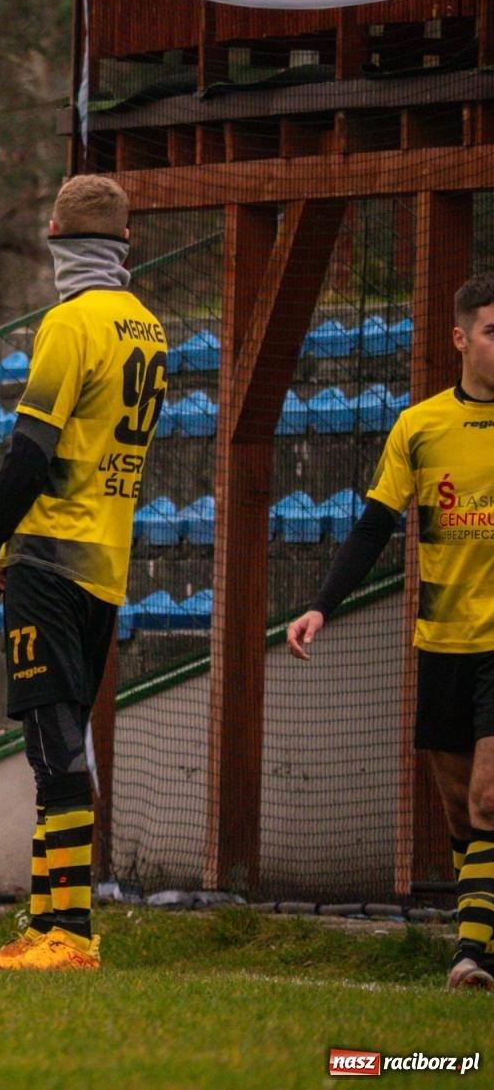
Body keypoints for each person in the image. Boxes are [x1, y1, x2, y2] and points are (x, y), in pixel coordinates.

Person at [0, 175, 166, 973]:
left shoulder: (70, 323)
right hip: (106, 563)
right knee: (61, 741)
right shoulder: (146, 326)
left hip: (48, 556)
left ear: (54, 235)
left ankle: (69, 935)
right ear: (124, 247)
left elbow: (31, 451)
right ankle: (46, 926)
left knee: (56, 750)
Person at [286, 273, 494, 991]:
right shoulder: (421, 426)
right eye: (493, 332)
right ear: (461, 340)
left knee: (489, 798)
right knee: (463, 814)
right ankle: (482, 925)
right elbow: (376, 524)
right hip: (442, 642)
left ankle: (471, 957)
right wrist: (321, 605)